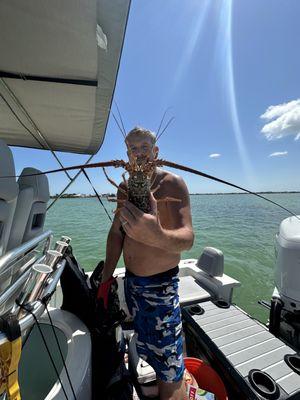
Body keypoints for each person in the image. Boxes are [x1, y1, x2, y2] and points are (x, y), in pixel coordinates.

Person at [99, 126, 194, 400]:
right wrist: (106, 279)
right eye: (132, 149)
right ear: (127, 154)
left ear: (155, 152)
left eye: (143, 148)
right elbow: (116, 234)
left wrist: (157, 234)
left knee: (170, 371)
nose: (138, 154)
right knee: (145, 345)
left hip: (160, 288)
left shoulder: (173, 183)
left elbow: (187, 239)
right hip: (132, 285)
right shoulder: (125, 186)